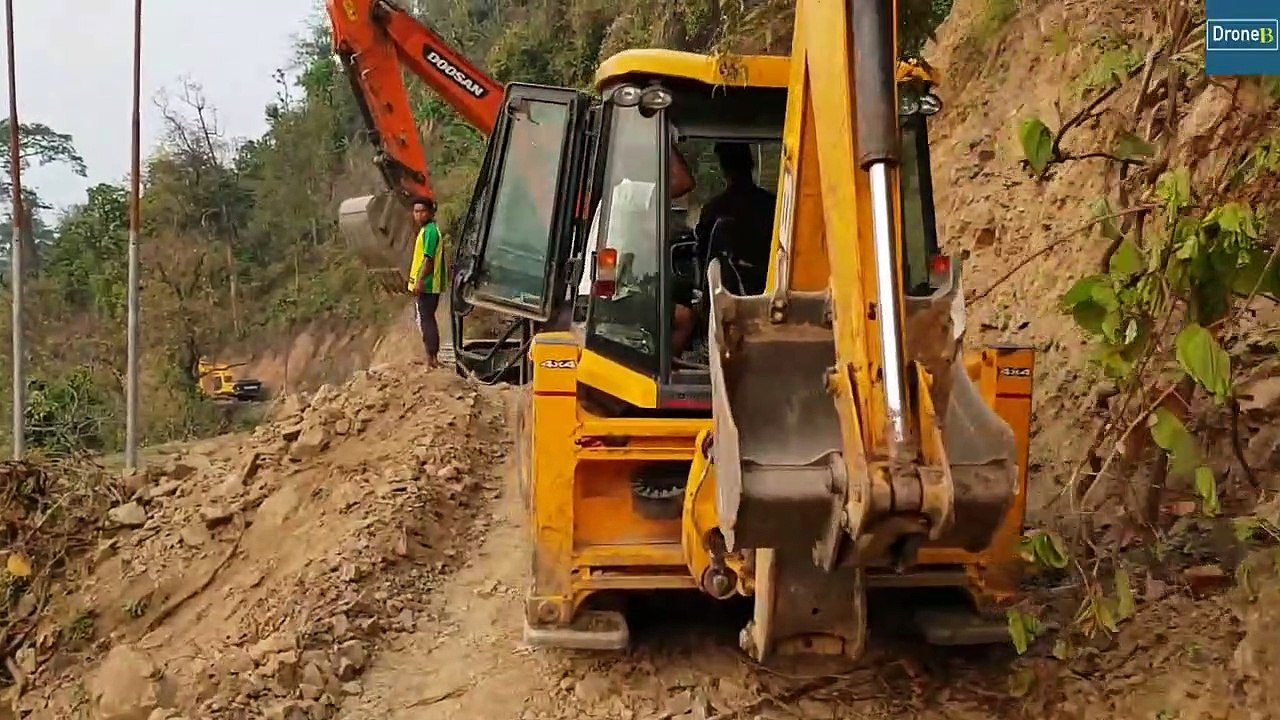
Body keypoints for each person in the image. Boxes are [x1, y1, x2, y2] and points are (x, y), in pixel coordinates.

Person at [694, 142, 776, 294]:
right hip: (771, 294)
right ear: (751, 164)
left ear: (724, 169)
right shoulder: (774, 206)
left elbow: (705, 260)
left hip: (725, 298)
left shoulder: (714, 210)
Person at [407, 197, 445, 367]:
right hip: (427, 284)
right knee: (426, 318)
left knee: (427, 319)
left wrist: (420, 282)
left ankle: (432, 357)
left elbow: (428, 260)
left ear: (430, 212)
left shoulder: (429, 232)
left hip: (428, 285)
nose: (419, 215)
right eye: (416, 211)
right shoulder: (427, 231)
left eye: (422, 211)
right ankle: (431, 355)